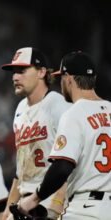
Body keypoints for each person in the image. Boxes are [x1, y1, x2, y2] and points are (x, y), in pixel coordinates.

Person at [18, 51, 111, 220]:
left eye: (61, 78)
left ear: (68, 79)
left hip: (85, 209)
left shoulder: (74, 113)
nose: (61, 83)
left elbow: (62, 167)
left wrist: (34, 198)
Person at [1, 47, 71, 219]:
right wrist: (5, 212)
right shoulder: (20, 109)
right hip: (25, 201)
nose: (15, 77)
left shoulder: (59, 106)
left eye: (22, 71)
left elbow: (69, 163)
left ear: (41, 72)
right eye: (14, 72)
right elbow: (21, 170)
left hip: (50, 198)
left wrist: (55, 208)